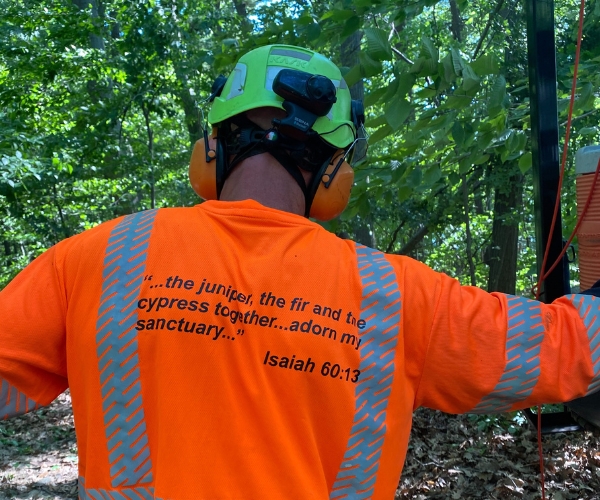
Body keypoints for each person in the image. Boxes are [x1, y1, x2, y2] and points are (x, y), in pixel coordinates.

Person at [0, 44, 599, 500]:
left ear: (212, 148)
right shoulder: (396, 295)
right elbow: (566, 349)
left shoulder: (99, 259)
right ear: (334, 168)